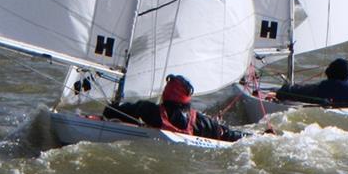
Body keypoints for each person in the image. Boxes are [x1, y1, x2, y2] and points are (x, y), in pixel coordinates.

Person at [102, 74, 245, 142]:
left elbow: (109, 112)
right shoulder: (201, 121)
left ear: (167, 92)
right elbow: (229, 134)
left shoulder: (148, 110)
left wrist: (113, 106)